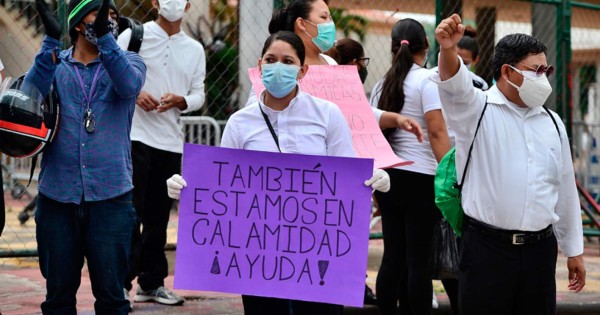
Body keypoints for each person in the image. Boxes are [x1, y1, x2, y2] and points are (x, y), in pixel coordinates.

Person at [166, 31, 391, 315]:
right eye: (271, 60)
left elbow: (343, 175)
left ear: (302, 69)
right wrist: (187, 187)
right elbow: (222, 187)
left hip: (317, 252)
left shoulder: (327, 115)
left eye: (288, 61)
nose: (278, 67)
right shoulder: (239, 124)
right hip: (259, 257)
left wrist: (370, 179)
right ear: (260, 66)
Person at [434, 14, 586, 315]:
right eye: (536, 70)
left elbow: (565, 188)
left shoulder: (553, 122)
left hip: (540, 253)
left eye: (547, 70)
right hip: (486, 251)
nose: (543, 78)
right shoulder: (476, 110)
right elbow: (454, 85)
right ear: (507, 71)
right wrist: (448, 50)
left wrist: (574, 250)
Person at [26, 0, 146, 312]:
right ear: (79, 24)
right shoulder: (55, 64)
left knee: (112, 298)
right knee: (58, 300)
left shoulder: (129, 62)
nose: (111, 21)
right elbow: (30, 98)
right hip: (57, 199)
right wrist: (50, 41)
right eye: (102, 15)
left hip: (111, 200)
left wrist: (106, 38)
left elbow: (129, 85)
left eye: (115, 17)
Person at [116, 0, 205, 307]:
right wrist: (135, 91)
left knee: (158, 217)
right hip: (133, 137)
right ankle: (120, 285)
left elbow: (199, 93)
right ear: (154, 2)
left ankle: (152, 283)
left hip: (169, 142)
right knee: (129, 214)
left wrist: (182, 100)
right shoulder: (133, 36)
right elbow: (111, 72)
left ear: (189, 4)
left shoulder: (194, 49)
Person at [249, 0, 423, 143]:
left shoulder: (331, 63)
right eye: (324, 17)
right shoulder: (279, 68)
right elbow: (253, 113)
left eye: (330, 18)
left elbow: (355, 111)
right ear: (302, 24)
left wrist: (395, 119)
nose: (330, 24)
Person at [369, 18, 451, 315]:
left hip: (389, 177)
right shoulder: (427, 80)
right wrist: (451, 176)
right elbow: (437, 132)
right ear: (426, 46)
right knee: (419, 262)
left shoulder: (382, 83)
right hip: (422, 177)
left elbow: (373, 131)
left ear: (394, 47)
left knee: (393, 255)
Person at [324, 37, 377, 306]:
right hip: (348, 175)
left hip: (336, 175)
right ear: (355, 63)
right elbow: (368, 118)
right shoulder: (344, 91)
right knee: (350, 236)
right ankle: (354, 283)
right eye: (362, 62)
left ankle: (350, 282)